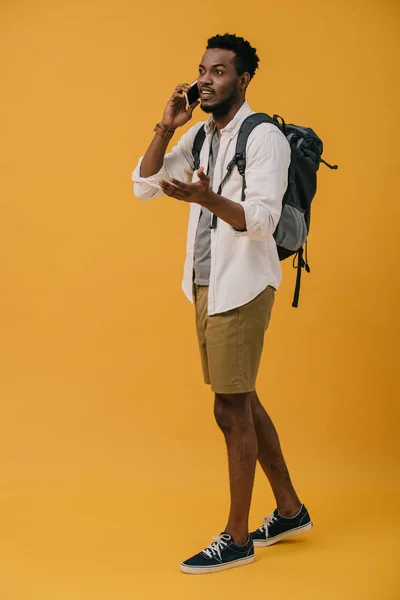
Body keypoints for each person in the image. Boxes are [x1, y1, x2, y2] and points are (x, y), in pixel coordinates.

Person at [132, 33, 312, 575]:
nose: (206, 80)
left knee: (228, 408)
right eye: (202, 70)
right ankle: (289, 511)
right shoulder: (204, 134)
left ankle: (236, 538)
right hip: (206, 283)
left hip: (243, 284)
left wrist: (208, 198)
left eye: (219, 71)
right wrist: (168, 126)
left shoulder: (263, 139)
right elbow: (144, 184)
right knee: (244, 399)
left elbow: (260, 220)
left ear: (244, 79)